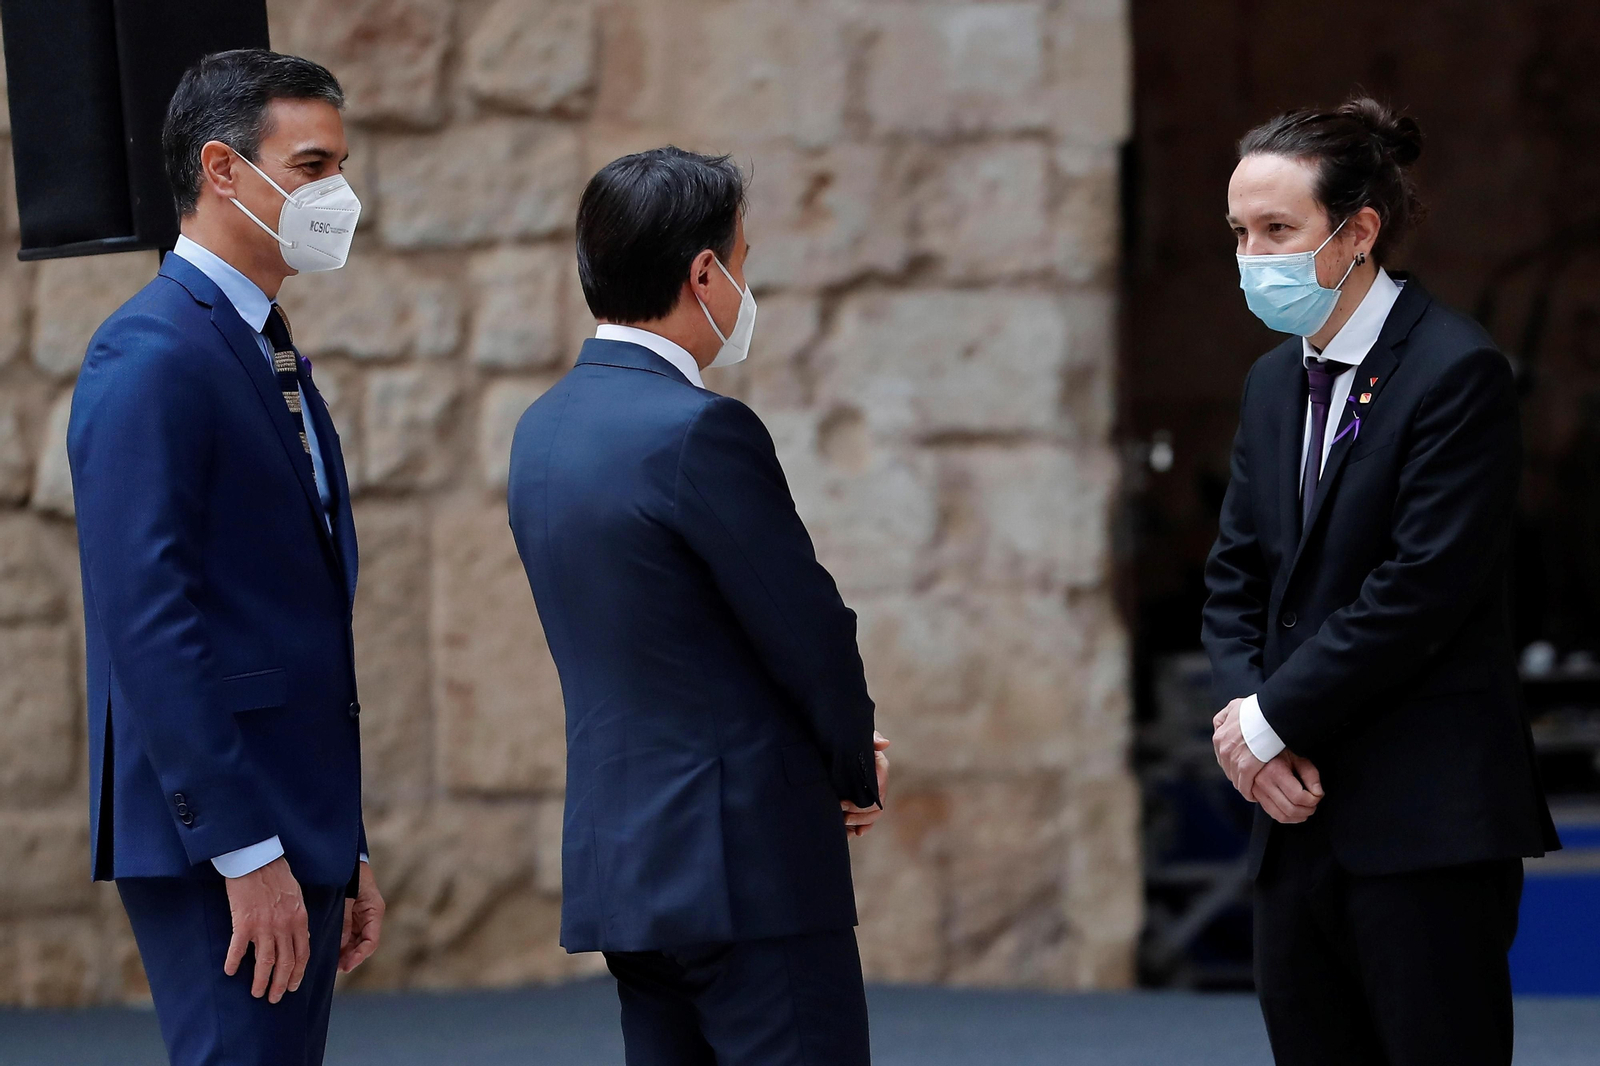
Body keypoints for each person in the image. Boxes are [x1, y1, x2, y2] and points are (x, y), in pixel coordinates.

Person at [507, 147, 890, 1066]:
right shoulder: (700, 429)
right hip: (744, 863)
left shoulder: (541, 430)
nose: (745, 287)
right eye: (744, 262)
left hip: (626, 860)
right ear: (704, 273)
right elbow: (805, 626)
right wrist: (851, 761)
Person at [1202, 97, 1559, 1066]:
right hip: (1293, 819)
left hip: (1423, 823)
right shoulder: (1270, 383)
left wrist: (1269, 719)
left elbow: (1420, 590)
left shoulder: (1457, 372)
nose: (1251, 255)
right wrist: (1246, 733)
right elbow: (1235, 575)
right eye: (1239, 231)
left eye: (1277, 230)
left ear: (1357, 232)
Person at [67, 50, 383, 1066]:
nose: (336, 193)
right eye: (311, 165)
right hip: (227, 836)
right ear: (222, 170)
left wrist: (346, 839)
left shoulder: (259, 339)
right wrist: (245, 850)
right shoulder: (153, 351)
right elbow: (147, 615)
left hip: (297, 819)